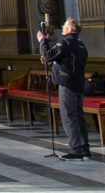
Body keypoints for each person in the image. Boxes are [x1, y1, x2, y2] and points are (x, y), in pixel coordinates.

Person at [38, 17, 91, 160]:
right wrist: (52, 62)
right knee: (78, 117)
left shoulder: (66, 42)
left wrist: (43, 40)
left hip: (68, 85)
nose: (63, 28)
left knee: (69, 116)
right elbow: (65, 62)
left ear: (69, 29)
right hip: (77, 83)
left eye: (64, 26)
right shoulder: (80, 44)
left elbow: (49, 54)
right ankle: (84, 148)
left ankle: (76, 150)